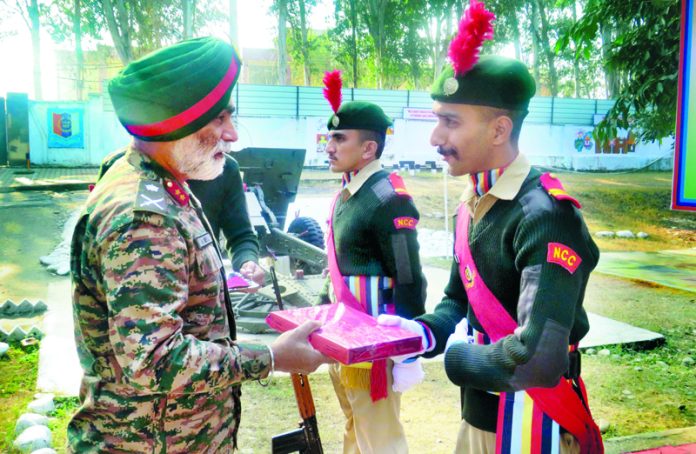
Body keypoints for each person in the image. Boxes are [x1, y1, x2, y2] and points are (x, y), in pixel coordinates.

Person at [68, 37, 328, 453]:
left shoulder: (158, 182)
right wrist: (273, 357)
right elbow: (154, 360)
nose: (232, 133)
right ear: (175, 124)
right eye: (219, 120)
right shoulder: (144, 217)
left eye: (231, 115)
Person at [379, 1, 603, 453]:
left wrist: (456, 359)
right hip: (483, 414)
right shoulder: (474, 202)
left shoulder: (545, 216)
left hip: (532, 419)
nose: (435, 138)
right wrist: (415, 335)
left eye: (450, 122)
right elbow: (457, 300)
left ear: (500, 130)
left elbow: (537, 359)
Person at [319, 70, 428, 454]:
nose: (328, 146)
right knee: (355, 430)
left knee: (379, 440)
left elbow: (409, 277)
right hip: (345, 339)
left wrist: (408, 351)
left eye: (339, 138)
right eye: (329, 136)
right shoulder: (349, 193)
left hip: (375, 347)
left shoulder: (388, 199)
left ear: (368, 149)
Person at [97, 150, 265, 285]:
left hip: (201, 299)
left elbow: (240, 234)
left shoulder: (224, 168)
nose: (231, 135)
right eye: (219, 120)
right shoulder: (120, 167)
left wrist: (247, 261)